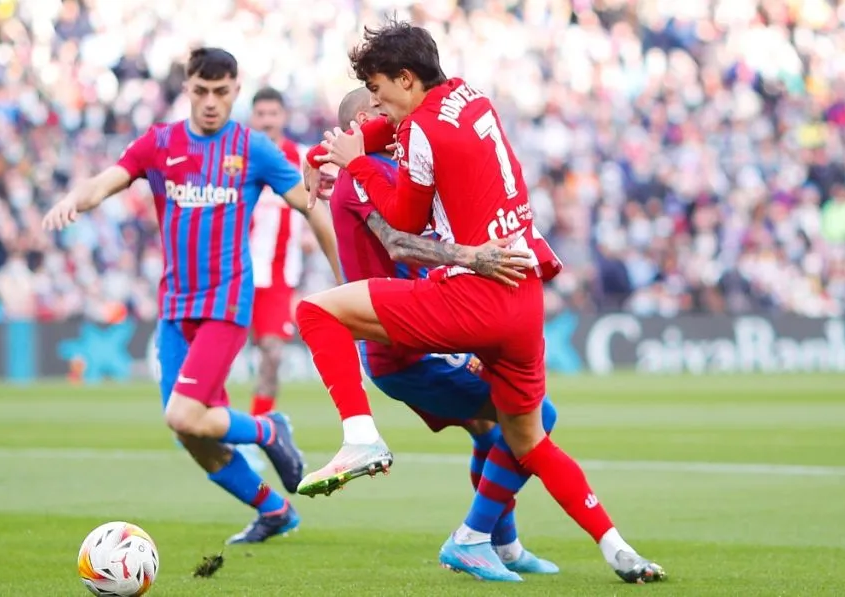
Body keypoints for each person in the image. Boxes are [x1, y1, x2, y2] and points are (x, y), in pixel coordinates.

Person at [296, 22, 665, 583]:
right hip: (524, 298)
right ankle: (616, 548)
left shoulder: (412, 138)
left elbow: (402, 225)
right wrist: (347, 147)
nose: (378, 103)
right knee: (529, 437)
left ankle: (363, 440)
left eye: (380, 89)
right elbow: (405, 131)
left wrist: (353, 161)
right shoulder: (471, 96)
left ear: (406, 78)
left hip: (470, 300)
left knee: (314, 311)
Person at [42, 48, 342, 545]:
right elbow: (108, 181)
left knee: (182, 413)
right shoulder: (159, 144)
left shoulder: (253, 149)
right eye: (200, 91)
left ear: (235, 92)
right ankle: (275, 510)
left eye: (221, 92)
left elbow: (311, 208)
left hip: (225, 306)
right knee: (190, 432)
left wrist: (341, 275)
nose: (210, 102)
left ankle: (269, 431)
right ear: (187, 89)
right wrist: (76, 198)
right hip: (174, 309)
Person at [317, 86, 561, 576]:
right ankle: (472, 538)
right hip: (411, 342)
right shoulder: (366, 175)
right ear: (367, 116)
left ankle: (502, 543)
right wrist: (473, 260)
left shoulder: (385, 170)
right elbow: (400, 244)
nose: (393, 113)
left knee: (488, 429)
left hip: (416, 334)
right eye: (381, 107)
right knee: (538, 416)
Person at [241, 88, 304, 476]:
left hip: (278, 277)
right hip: (237, 274)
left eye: (273, 113)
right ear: (252, 117)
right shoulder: (240, 157)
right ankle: (226, 429)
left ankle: (255, 434)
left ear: (283, 116)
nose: (266, 120)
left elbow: (320, 203)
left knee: (272, 353)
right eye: (260, 113)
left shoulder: (300, 158)